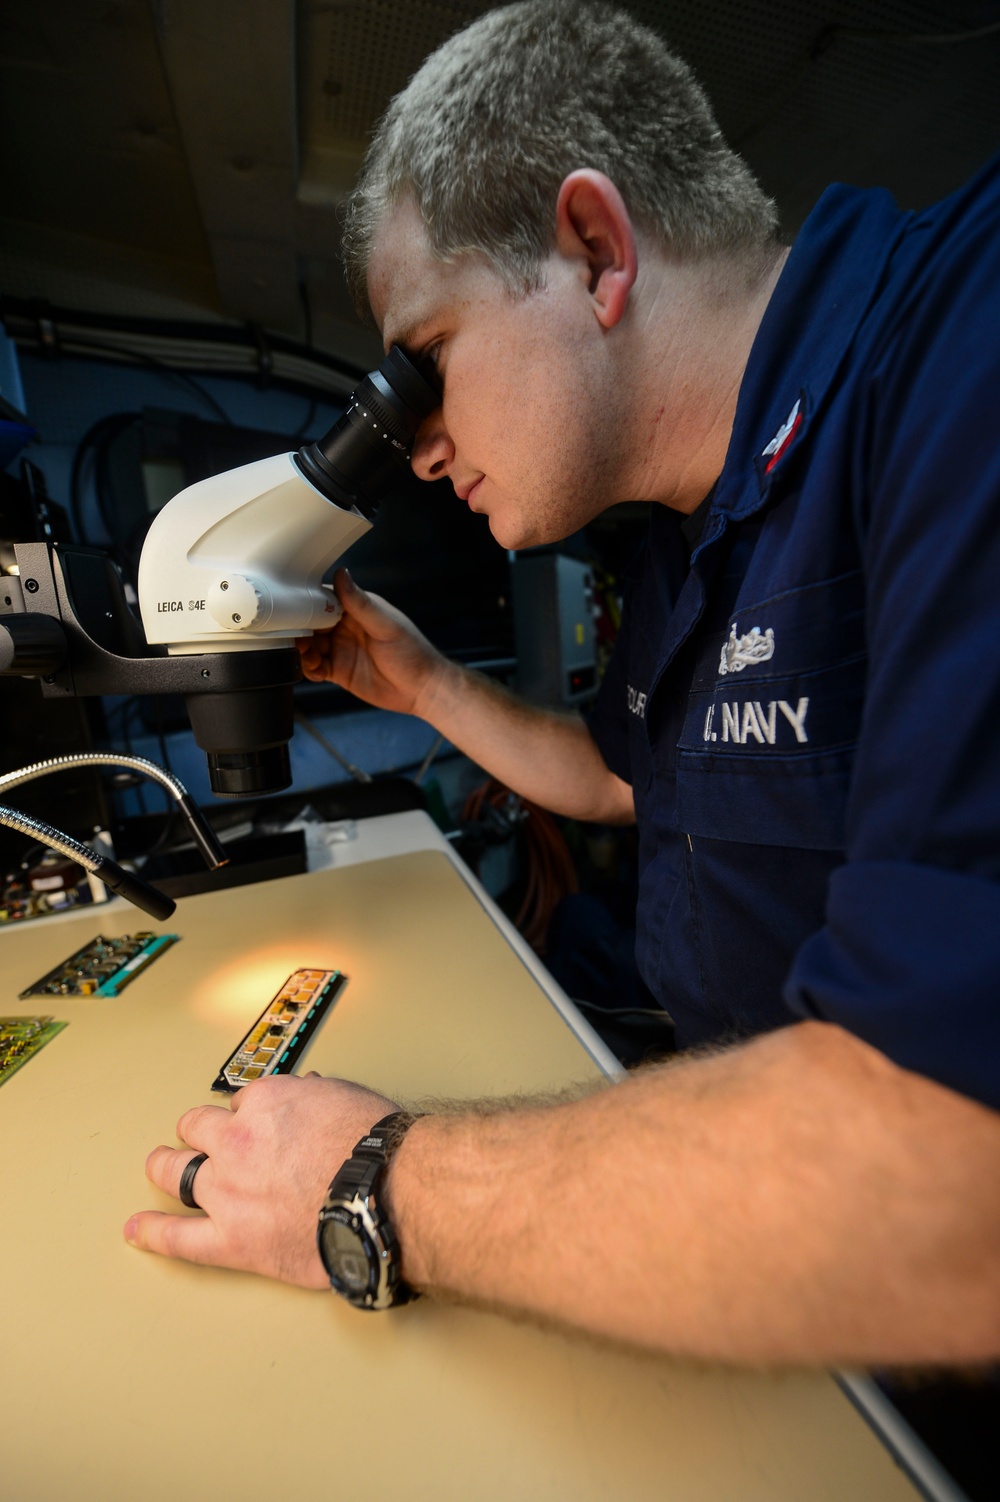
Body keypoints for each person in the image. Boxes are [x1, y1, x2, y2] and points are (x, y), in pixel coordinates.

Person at [125, 1, 1000, 1366]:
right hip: (766, 1257)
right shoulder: (679, 531)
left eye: (426, 362)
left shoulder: (964, 350)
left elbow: (945, 1174)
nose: (414, 453)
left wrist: (374, 1182)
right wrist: (417, 681)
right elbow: (613, 775)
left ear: (594, 250)